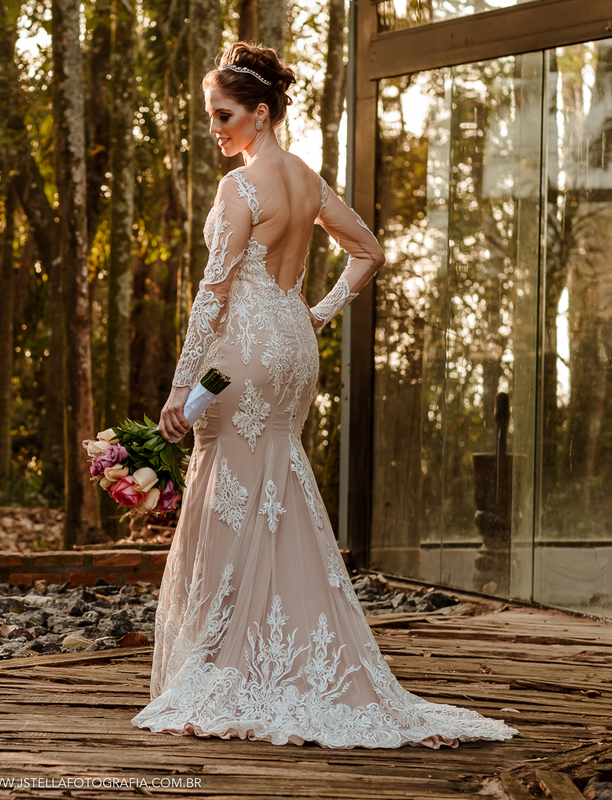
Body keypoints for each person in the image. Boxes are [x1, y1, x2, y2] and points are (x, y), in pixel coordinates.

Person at [131, 42, 518, 749]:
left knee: (228, 495)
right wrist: (316, 313)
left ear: (261, 113)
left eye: (224, 116)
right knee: (276, 487)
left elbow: (213, 295)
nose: (214, 129)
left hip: (246, 352)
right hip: (292, 344)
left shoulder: (240, 188)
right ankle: (282, 654)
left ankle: (224, 665)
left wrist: (182, 385)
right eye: (210, 116)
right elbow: (369, 251)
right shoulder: (308, 181)